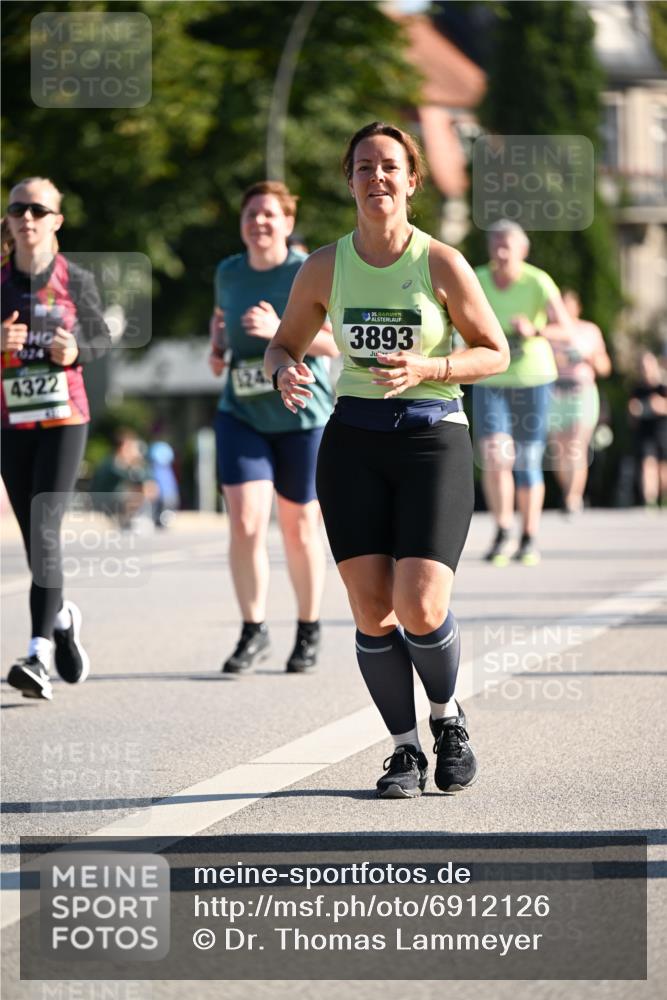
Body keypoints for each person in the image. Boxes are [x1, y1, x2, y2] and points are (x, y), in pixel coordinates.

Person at [265, 122, 508, 798]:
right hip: (353, 440)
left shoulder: (440, 263)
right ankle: (402, 751)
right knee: (372, 610)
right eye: (364, 166)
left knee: (420, 603)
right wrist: (283, 370)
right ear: (348, 180)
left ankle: (447, 718)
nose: (377, 177)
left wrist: (429, 366)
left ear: (411, 181)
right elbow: (283, 344)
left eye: (390, 167)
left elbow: (495, 351)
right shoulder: (322, 265)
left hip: (432, 436)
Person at [210, 181, 337, 675]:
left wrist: (279, 335)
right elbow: (220, 319)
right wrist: (218, 346)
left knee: (300, 526)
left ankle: (308, 627)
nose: (259, 222)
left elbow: (336, 341)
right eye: (251, 215)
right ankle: (253, 628)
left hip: (301, 415)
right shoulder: (228, 271)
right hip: (241, 412)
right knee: (244, 521)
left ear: (287, 222)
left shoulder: (307, 270)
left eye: (270, 215)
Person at [1, 176, 110, 700]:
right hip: (12, 423)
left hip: (65, 419)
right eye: (18, 208)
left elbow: (102, 338)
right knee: (34, 540)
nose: (27, 217)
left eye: (39, 209)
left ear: (55, 221)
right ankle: (62, 616)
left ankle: (38, 652)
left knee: (45, 527)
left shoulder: (75, 278)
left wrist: (75, 351)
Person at [472, 220, 572, 566]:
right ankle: (502, 531)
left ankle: (529, 536)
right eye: (495, 245)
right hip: (491, 379)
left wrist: (536, 330)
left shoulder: (538, 281)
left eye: (507, 246)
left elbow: (567, 330)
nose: (500, 252)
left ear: (522, 251)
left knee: (527, 460)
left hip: (533, 379)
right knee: (496, 457)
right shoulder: (478, 279)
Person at [544, 289, 611, 514]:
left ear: (577, 307)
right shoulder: (547, 332)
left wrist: (588, 356)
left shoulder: (589, 330)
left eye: (568, 304)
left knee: (576, 445)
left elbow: (604, 366)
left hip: (581, 392)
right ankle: (568, 490)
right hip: (554, 393)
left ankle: (573, 498)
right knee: (559, 450)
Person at [89, 428, 158, 530]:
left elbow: (145, 480)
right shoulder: (114, 462)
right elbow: (134, 479)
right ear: (123, 446)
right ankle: (130, 519)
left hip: (110, 499)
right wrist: (136, 464)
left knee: (146, 488)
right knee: (140, 492)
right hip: (103, 500)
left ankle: (133, 518)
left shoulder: (118, 461)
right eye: (131, 447)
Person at [628, 351, 667, 507]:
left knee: (663, 467)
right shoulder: (637, 390)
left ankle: (664, 498)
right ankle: (649, 500)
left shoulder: (662, 387)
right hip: (645, 432)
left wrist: (658, 405)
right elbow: (631, 418)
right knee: (647, 464)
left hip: (663, 430)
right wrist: (634, 411)